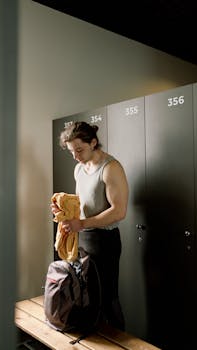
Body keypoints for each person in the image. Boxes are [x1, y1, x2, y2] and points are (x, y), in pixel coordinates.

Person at [51, 121, 129, 330]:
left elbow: (119, 211)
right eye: (71, 152)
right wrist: (63, 212)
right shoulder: (79, 169)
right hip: (82, 236)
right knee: (86, 294)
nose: (75, 156)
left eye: (79, 149)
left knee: (108, 296)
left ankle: (120, 341)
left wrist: (82, 223)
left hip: (105, 240)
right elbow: (80, 205)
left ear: (93, 142)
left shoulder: (111, 168)